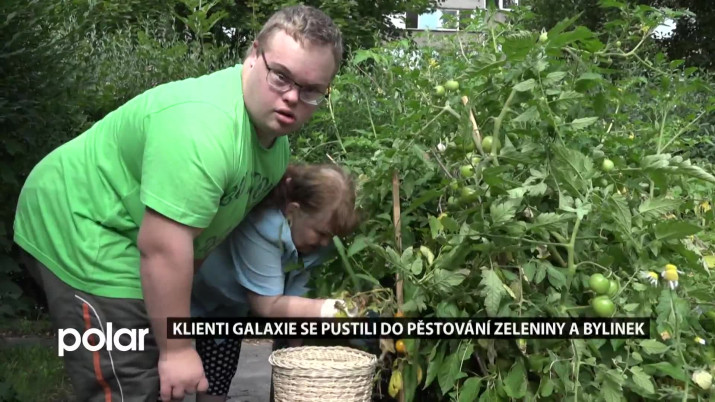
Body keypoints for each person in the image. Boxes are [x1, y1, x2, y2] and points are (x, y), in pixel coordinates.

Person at [12, 5, 343, 401]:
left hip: (132, 231)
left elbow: (204, 235)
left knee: (158, 358)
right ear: (254, 54)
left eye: (311, 90)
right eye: (281, 76)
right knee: (129, 379)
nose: (291, 97)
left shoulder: (274, 147)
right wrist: (177, 350)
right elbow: (162, 248)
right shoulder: (202, 132)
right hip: (81, 221)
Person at [190, 163, 361, 401]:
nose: (325, 242)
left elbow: (296, 301)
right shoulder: (261, 225)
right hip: (187, 293)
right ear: (293, 210)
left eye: (331, 236)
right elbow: (266, 305)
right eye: (321, 233)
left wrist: (296, 355)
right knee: (167, 378)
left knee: (215, 382)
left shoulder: (316, 243)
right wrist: (330, 309)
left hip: (227, 310)